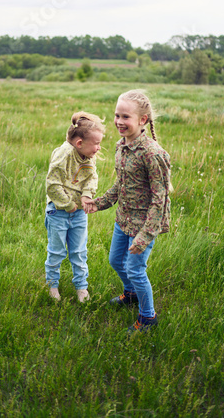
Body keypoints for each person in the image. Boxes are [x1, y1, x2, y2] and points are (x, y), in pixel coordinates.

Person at [84, 90, 171, 332]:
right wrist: (99, 202)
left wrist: (145, 236)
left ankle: (148, 317)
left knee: (135, 268)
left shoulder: (153, 154)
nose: (119, 122)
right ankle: (130, 293)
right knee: (115, 260)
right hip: (123, 220)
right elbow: (120, 184)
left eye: (126, 117)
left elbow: (160, 199)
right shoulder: (120, 146)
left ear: (142, 120)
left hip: (144, 224)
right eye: (117, 115)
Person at [45, 111, 105, 302]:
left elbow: (91, 177)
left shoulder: (88, 155)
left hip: (79, 214)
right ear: (79, 143)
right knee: (56, 251)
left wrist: (87, 195)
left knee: (79, 252)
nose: (98, 148)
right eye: (96, 144)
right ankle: (52, 285)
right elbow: (52, 184)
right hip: (58, 212)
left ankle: (81, 287)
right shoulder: (64, 155)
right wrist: (68, 204)